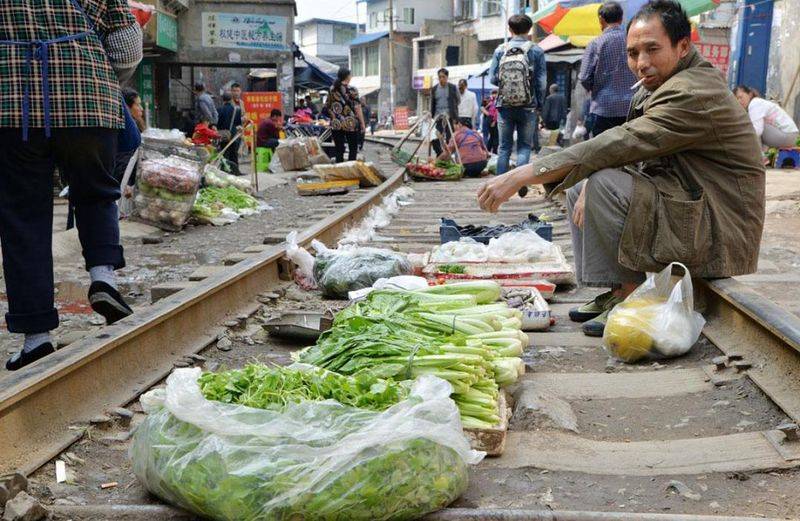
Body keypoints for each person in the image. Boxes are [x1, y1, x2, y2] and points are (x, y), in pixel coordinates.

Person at [477, 0, 765, 338]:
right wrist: (584, 178)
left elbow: (623, 141)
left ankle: (631, 298)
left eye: (652, 50)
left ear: (683, 45)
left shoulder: (692, 93)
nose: (641, 63)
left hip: (717, 226)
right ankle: (615, 290)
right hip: (690, 204)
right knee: (581, 184)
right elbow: (636, 150)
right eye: (633, 53)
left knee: (599, 183)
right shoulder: (663, 82)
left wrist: (523, 174)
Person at [0, 0, 141, 370]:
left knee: (23, 220)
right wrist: (97, 73)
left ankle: (37, 338)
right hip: (89, 98)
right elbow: (128, 44)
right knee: (96, 193)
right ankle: (103, 279)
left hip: (15, 106)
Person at [489, 14, 547, 175]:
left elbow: (492, 78)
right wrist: (539, 104)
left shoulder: (500, 50)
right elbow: (542, 83)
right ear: (529, 30)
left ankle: (500, 184)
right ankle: (519, 181)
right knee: (524, 146)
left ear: (510, 29)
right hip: (528, 105)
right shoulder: (536, 51)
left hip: (504, 105)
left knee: (504, 147)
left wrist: (508, 84)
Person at [579, 1, 638, 137]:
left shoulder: (596, 44)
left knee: (603, 153)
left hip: (603, 108)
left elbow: (584, 77)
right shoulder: (632, 41)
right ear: (621, 18)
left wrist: (595, 88)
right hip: (631, 107)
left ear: (601, 19)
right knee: (629, 151)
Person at [734, 85, 799, 148]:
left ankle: (758, 156)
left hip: (789, 136)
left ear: (750, 94)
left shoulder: (755, 103)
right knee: (755, 127)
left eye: (741, 97)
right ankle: (760, 155)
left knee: (755, 128)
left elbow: (757, 131)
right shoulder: (754, 105)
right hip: (790, 137)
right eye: (737, 99)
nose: (739, 101)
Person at [327, 67, 365, 163]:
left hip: (336, 123)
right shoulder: (352, 90)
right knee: (353, 148)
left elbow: (328, 106)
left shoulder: (332, 89)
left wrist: (334, 118)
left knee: (339, 149)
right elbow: (357, 108)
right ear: (348, 76)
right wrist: (362, 123)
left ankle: (340, 171)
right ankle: (350, 169)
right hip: (350, 123)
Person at [116, 88, 146, 202]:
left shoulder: (135, 125)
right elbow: (122, 159)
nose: (141, 109)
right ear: (127, 107)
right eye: (138, 105)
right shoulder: (125, 130)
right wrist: (126, 183)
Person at [430, 68, 460, 155]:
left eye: (443, 77)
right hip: (437, 117)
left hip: (450, 117)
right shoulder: (434, 89)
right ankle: (439, 154)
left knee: (450, 139)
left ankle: (449, 157)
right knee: (435, 137)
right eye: (439, 77)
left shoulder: (453, 88)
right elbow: (432, 104)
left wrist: (453, 113)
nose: (441, 79)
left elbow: (458, 101)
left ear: (447, 77)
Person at [217, 87, 244, 176]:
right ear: (231, 99)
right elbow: (238, 123)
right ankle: (236, 171)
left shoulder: (219, 109)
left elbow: (218, 123)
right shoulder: (237, 109)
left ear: (223, 99)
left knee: (224, 153)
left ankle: (225, 171)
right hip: (233, 134)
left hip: (223, 134)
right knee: (234, 153)